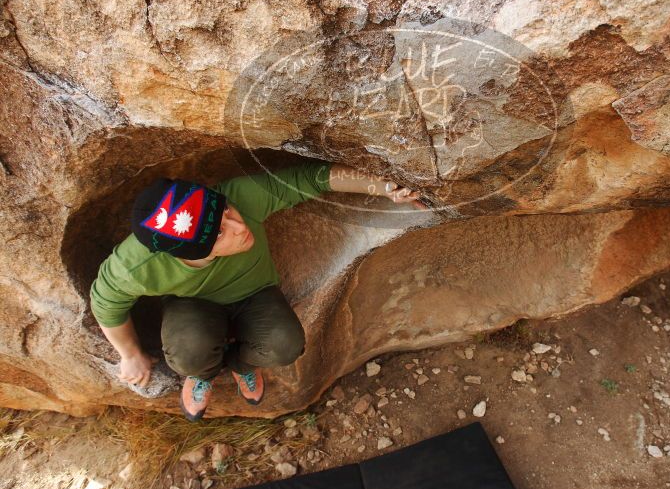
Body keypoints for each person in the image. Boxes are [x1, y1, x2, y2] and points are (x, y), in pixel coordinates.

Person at [89, 160, 423, 421]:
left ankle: (241, 365)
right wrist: (130, 355)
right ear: (189, 253)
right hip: (191, 304)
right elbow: (106, 302)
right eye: (220, 233)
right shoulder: (135, 265)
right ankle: (204, 373)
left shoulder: (242, 197)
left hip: (256, 291)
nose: (239, 226)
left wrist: (384, 187)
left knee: (285, 345)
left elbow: (310, 178)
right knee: (189, 353)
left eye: (226, 211)